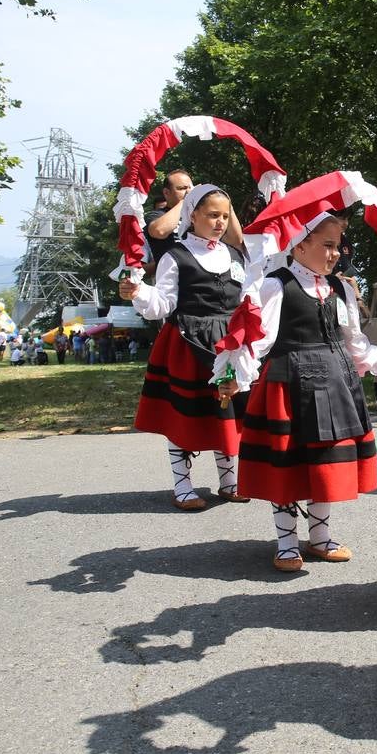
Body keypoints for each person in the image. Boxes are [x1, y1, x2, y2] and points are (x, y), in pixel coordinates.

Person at [216, 211, 377, 571]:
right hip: (289, 384)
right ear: (300, 243)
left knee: (323, 463)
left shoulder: (341, 289)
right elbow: (259, 339)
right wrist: (235, 373)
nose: (336, 253)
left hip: (335, 381)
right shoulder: (276, 285)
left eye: (338, 246)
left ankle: (320, 536)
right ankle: (287, 542)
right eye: (327, 245)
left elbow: (354, 340)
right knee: (288, 464)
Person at [121, 184, 250, 510]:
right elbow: (162, 304)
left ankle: (230, 481)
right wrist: (138, 292)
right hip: (188, 343)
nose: (220, 222)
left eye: (225, 215)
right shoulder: (175, 257)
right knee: (185, 417)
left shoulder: (235, 255)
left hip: (227, 344)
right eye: (212, 215)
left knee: (228, 412)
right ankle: (182, 486)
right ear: (192, 215)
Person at [143, 169, 194, 275]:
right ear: (166, 192)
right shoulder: (156, 215)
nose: (188, 192)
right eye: (182, 188)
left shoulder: (201, 215)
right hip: (172, 282)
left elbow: (234, 240)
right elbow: (159, 231)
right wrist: (185, 202)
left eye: (190, 188)